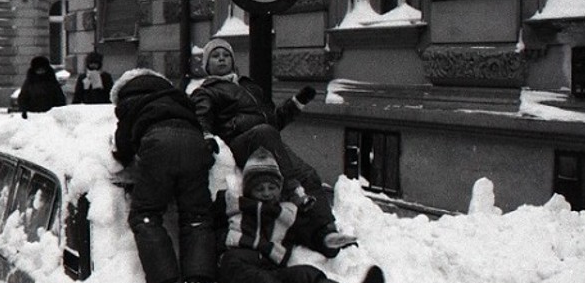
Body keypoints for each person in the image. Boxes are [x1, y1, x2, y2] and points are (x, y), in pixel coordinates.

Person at [191, 38, 346, 257]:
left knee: (308, 175)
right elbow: (200, 118)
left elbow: (273, 121)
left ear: (233, 60)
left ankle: (325, 234)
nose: (222, 59)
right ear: (207, 65)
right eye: (215, 56)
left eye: (226, 55)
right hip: (241, 142)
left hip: (268, 139)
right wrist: (205, 136)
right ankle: (293, 190)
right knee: (266, 136)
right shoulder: (206, 92)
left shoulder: (249, 86)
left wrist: (295, 104)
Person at [214, 147, 385, 283]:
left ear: (279, 189)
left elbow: (308, 232)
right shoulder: (235, 204)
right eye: (259, 189)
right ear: (249, 190)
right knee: (240, 267)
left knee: (307, 274)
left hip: (271, 269)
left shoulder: (286, 213)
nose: (266, 193)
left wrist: (327, 239)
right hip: (238, 264)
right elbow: (207, 225)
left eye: (271, 188)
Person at [110, 68, 216, 283]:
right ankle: (199, 278)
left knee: (145, 215)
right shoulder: (175, 98)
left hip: (158, 145)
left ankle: (164, 278)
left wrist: (121, 155)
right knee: (197, 217)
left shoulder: (129, 101)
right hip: (194, 145)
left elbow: (123, 145)